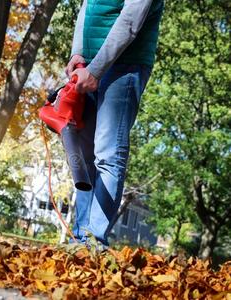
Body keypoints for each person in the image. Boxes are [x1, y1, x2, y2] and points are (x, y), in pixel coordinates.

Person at [65, 0, 164, 247]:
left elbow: (131, 20)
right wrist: (77, 53)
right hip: (89, 65)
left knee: (108, 154)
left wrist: (95, 70)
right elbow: (87, 7)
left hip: (124, 65)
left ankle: (94, 239)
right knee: (84, 155)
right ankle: (80, 239)